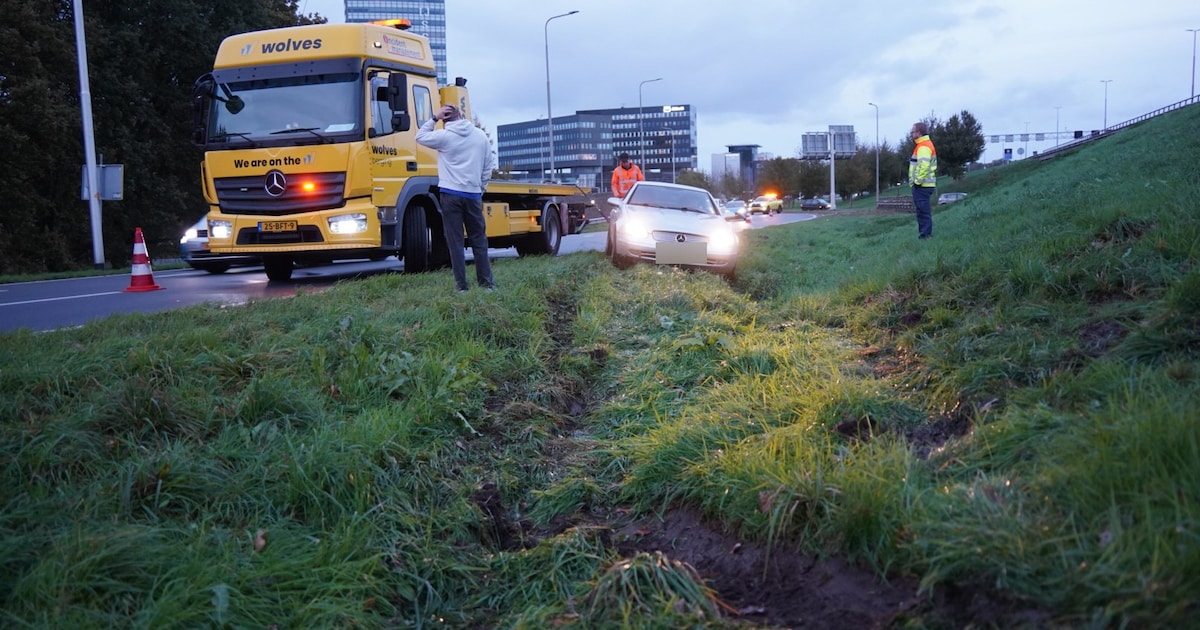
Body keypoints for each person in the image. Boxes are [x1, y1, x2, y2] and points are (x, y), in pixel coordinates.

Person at [415, 104, 495, 292]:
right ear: (461, 115)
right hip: (473, 194)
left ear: (445, 119)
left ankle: (462, 287)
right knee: (479, 240)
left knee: (455, 242)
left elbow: (419, 136)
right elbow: (487, 167)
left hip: (450, 195)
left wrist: (434, 118)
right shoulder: (480, 136)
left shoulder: (444, 137)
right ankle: (486, 284)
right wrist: (479, 188)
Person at [909, 121, 938, 239]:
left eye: (913, 131)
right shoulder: (923, 145)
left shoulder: (923, 146)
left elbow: (924, 165)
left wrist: (917, 181)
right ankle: (924, 234)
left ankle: (925, 236)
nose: (911, 133)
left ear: (919, 133)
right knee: (922, 211)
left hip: (923, 185)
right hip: (924, 185)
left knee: (923, 212)